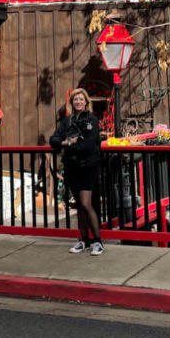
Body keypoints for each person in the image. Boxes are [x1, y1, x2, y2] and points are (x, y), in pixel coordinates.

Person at [50, 88, 104, 256]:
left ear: (86, 101)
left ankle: (97, 241)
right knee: (79, 205)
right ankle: (83, 240)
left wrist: (70, 146)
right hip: (72, 167)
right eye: (75, 100)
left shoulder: (92, 120)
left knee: (86, 203)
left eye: (81, 99)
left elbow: (88, 145)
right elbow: (54, 139)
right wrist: (66, 143)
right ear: (72, 103)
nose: (78, 102)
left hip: (87, 166)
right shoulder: (68, 121)